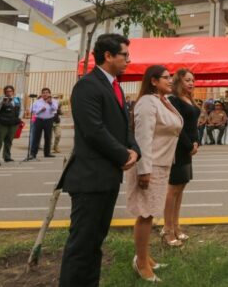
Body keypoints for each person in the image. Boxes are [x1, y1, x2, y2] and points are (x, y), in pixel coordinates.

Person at [59, 33, 140, 287]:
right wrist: (122, 154)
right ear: (108, 56)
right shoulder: (87, 86)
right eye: (124, 55)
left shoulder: (114, 86)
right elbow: (94, 130)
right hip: (90, 178)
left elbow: (123, 127)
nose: (129, 60)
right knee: (82, 245)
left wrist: (134, 149)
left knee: (95, 242)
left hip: (107, 178)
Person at [125, 65, 183, 282]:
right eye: (166, 78)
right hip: (150, 166)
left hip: (161, 164)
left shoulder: (162, 101)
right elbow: (143, 138)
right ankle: (141, 263)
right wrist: (144, 170)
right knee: (146, 214)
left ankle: (145, 257)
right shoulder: (148, 103)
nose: (170, 81)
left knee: (149, 213)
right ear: (153, 81)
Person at [165, 68, 200, 244]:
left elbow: (193, 125)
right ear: (179, 81)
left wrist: (196, 142)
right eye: (187, 80)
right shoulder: (173, 100)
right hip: (178, 149)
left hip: (188, 149)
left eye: (193, 80)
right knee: (173, 190)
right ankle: (168, 230)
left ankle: (176, 226)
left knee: (180, 189)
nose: (191, 83)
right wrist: (189, 145)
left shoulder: (189, 98)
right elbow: (177, 127)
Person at [0, 85, 22, 165]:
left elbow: (21, 109)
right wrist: (2, 103)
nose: (9, 93)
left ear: (13, 91)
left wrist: (19, 118)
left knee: (9, 141)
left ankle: (7, 157)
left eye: (10, 91)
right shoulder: (0, 99)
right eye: (7, 91)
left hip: (13, 123)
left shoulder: (17, 99)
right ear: (4, 92)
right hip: (1, 123)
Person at [29, 87, 59, 160]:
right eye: (43, 92)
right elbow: (32, 110)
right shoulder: (37, 101)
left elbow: (55, 109)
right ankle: (33, 154)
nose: (45, 94)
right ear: (41, 94)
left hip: (49, 120)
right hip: (38, 120)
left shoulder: (54, 101)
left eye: (47, 92)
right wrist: (40, 110)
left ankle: (47, 153)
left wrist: (50, 103)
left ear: (49, 93)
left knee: (48, 137)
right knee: (36, 137)